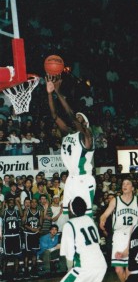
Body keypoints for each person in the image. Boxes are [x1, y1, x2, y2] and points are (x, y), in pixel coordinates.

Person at [46, 77, 95, 217]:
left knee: (85, 216)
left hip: (84, 179)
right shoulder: (68, 133)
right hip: (71, 178)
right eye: (77, 117)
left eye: (81, 118)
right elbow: (55, 116)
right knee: (69, 215)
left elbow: (71, 115)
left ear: (85, 124)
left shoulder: (87, 136)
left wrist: (58, 91)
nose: (77, 118)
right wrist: (50, 93)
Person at [53, 196, 107, 282]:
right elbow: (97, 242)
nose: (68, 210)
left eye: (68, 208)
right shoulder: (89, 219)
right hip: (101, 265)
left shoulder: (69, 224)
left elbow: (69, 255)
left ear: (72, 210)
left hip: (85, 266)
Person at [100, 178, 138, 282]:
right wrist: (102, 220)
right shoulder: (115, 200)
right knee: (118, 269)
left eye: (128, 184)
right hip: (118, 235)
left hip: (132, 235)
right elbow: (105, 214)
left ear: (132, 188)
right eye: (123, 183)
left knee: (129, 268)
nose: (125, 185)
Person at [2, 198, 23, 281]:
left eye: (12, 203)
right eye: (9, 203)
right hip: (7, 236)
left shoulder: (16, 212)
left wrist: (18, 204)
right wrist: (3, 205)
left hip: (16, 236)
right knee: (6, 256)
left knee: (16, 256)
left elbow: (21, 214)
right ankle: (4, 274)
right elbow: (1, 214)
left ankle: (16, 273)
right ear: (7, 204)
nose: (11, 204)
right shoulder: (5, 212)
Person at [22, 198, 43, 279]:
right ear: (30, 203)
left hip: (35, 234)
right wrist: (30, 228)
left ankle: (34, 270)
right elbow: (23, 223)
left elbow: (41, 224)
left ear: (37, 204)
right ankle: (26, 270)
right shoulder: (26, 211)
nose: (34, 203)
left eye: (35, 202)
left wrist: (38, 229)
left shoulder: (40, 212)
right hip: (28, 234)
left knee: (34, 253)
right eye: (32, 202)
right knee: (27, 254)